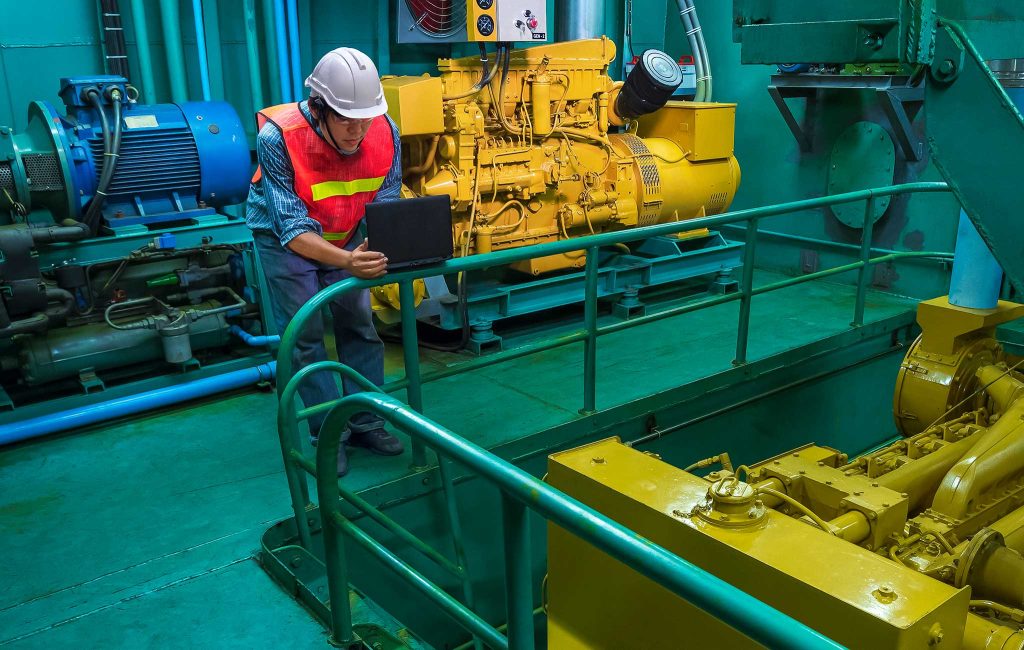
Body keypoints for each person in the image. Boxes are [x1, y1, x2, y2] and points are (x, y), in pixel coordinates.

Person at [246, 47, 404, 476]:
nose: (358, 132)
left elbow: (387, 199)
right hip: (284, 239)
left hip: (349, 233)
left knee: (360, 326)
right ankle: (328, 432)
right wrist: (348, 261)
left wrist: (370, 246)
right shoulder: (277, 138)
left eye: (364, 119)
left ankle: (366, 420)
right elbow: (293, 228)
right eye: (346, 121)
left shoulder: (385, 129)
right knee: (305, 335)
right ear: (318, 109)